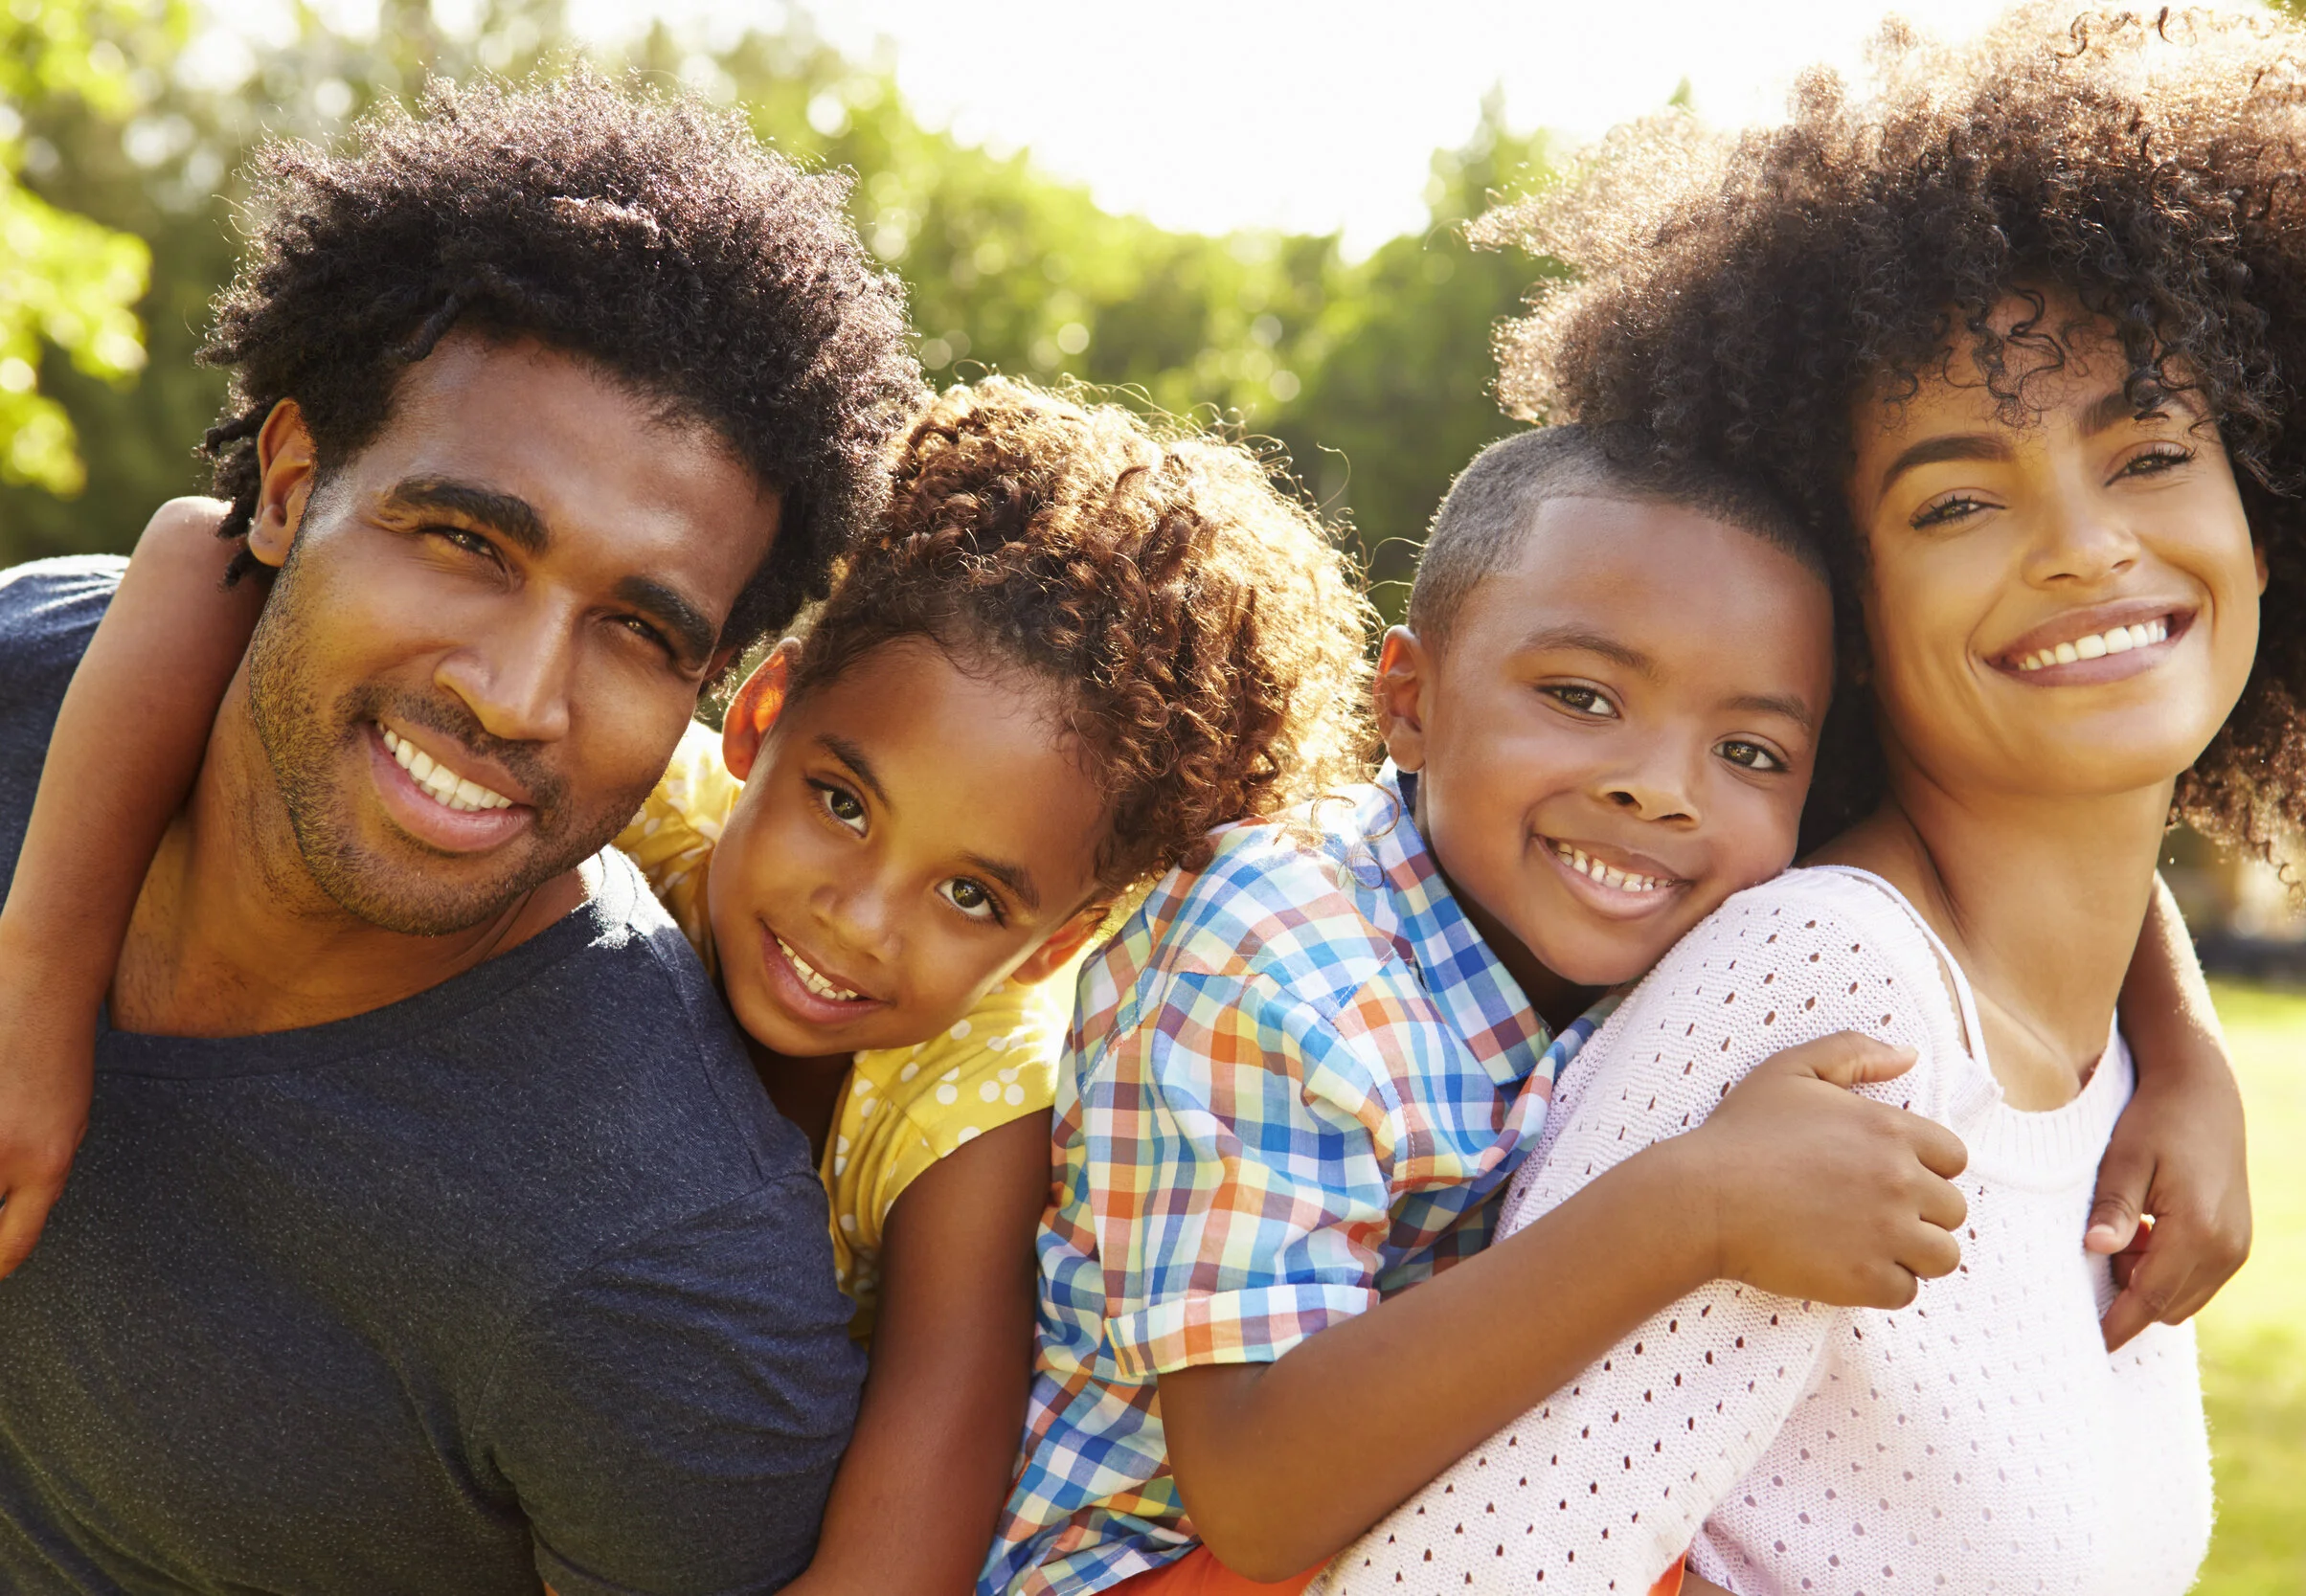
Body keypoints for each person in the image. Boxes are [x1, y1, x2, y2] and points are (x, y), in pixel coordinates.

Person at [1310, 9, 2306, 1591]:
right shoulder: (1838, 989)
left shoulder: (2093, 1035)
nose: (2086, 546)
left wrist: (2186, 1042)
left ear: (2265, 502)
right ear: (1844, 610)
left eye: (2151, 451)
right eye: (1957, 496)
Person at [26, 373, 1375, 1596]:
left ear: (1051, 943)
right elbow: (193, 552)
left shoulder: (978, 1111)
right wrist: (38, 983)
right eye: (844, 802)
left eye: (973, 894)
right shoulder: (643, 786)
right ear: (760, 713)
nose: (858, 916)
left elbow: (898, 1564)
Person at [985, 418, 2251, 1596]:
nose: (1660, 789)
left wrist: (2184, 1046)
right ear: (1409, 701)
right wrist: (1693, 1205)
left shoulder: (1671, 909)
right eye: (1581, 697)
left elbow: (2021, 844)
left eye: (1747, 751)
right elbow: (1258, 1491)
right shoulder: (1277, 949)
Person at [0, 71, 922, 1594]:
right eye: (466, 541)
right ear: (292, 486)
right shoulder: (39, 673)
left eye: (636, 628)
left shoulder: (659, 1275)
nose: (517, 697)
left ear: (707, 686)